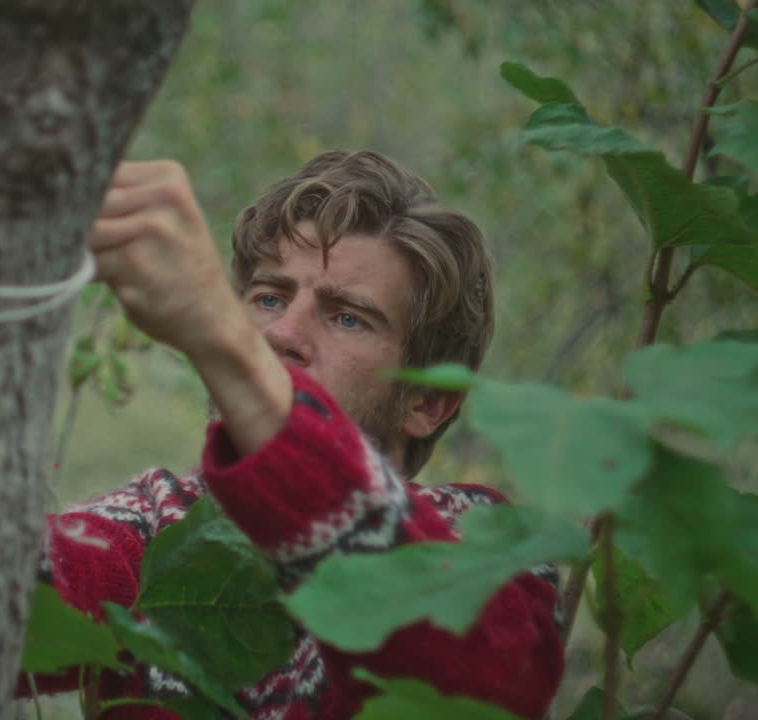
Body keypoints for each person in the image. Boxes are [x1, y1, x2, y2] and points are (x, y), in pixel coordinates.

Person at [29, 151, 561, 719]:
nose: (281, 332)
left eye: (347, 317)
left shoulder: (483, 545)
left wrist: (229, 350)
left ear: (426, 403)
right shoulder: (161, 523)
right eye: (269, 299)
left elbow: (490, 686)